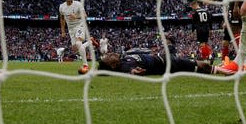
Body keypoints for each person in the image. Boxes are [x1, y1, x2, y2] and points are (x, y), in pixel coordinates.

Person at [97, 52, 234, 76]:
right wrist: (135, 72)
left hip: (165, 59)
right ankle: (228, 72)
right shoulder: (123, 66)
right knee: (200, 65)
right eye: (108, 58)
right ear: (113, 66)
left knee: (198, 65)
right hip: (167, 64)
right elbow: (131, 71)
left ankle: (222, 68)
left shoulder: (124, 59)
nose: (109, 55)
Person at [59, 0, 91, 73]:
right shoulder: (62, 7)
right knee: (76, 49)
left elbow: (85, 16)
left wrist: (76, 16)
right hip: (71, 29)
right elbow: (62, 19)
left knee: (78, 43)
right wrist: (63, 31)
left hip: (80, 24)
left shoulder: (78, 4)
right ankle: (90, 42)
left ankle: (85, 65)